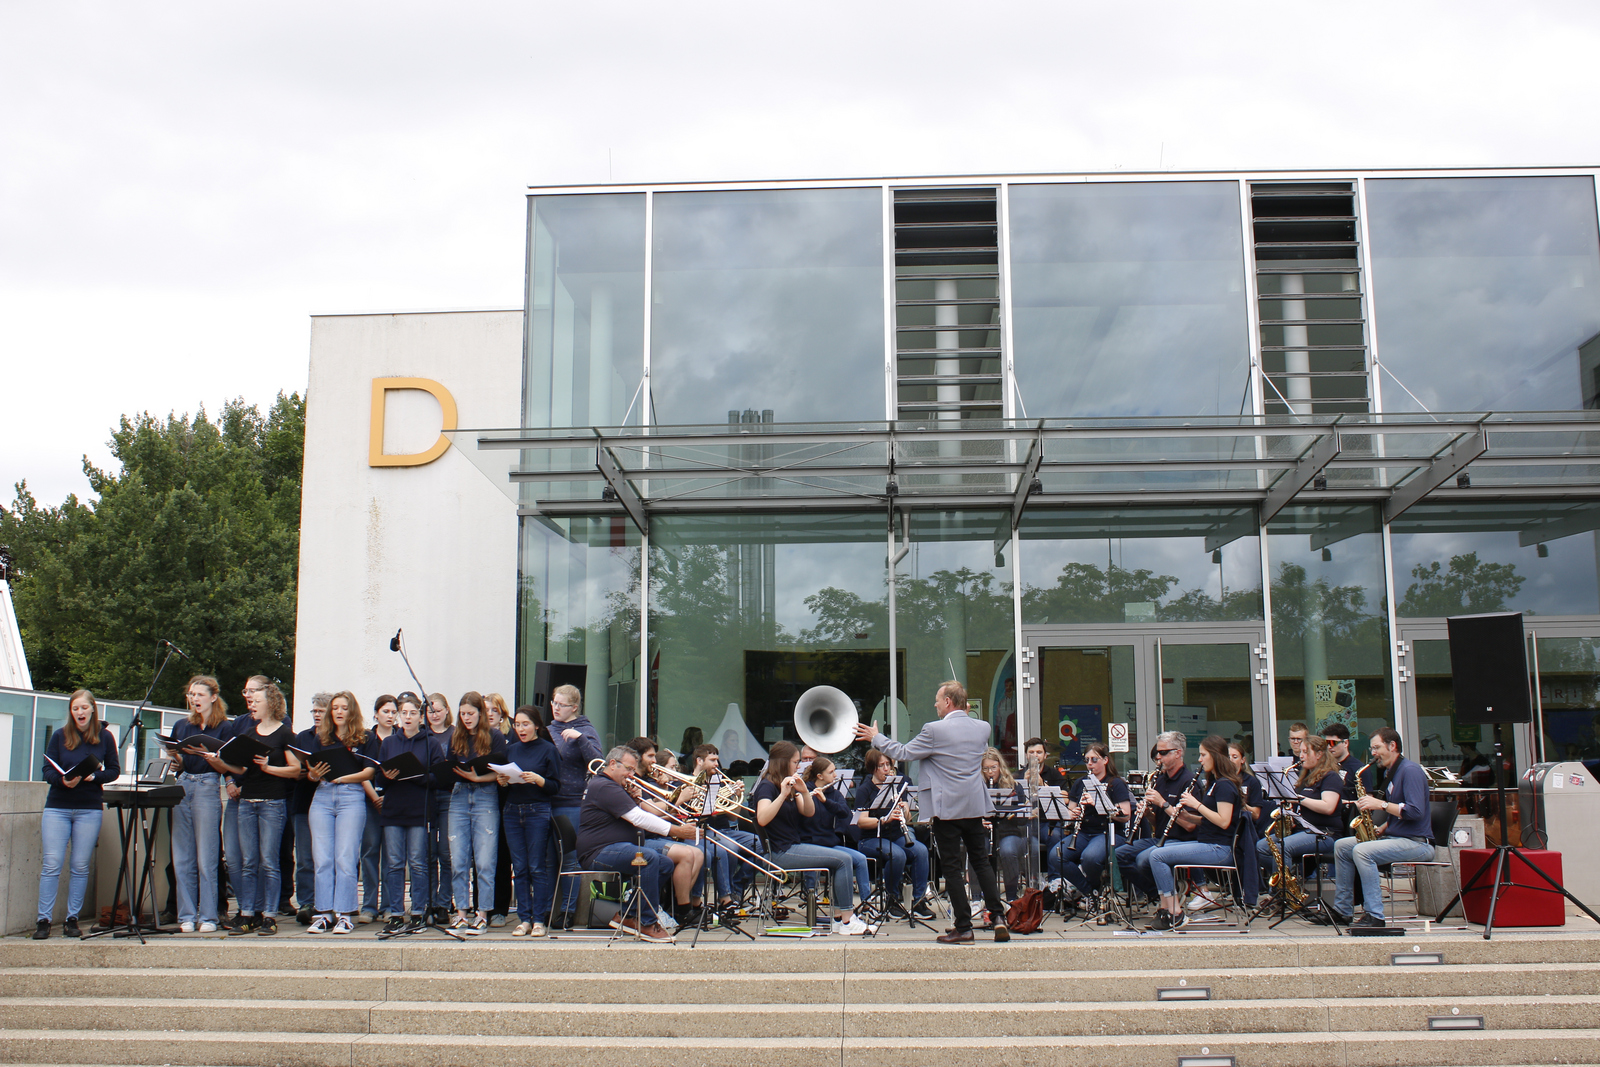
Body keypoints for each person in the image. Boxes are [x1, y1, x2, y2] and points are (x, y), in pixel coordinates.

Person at [855, 680, 1009, 945]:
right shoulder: (982, 728)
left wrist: (876, 738)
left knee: (951, 868)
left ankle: (963, 927)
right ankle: (998, 918)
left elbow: (903, 752)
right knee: (981, 862)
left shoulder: (934, 730)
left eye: (938, 700)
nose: (935, 705)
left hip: (946, 807)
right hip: (973, 805)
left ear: (948, 701)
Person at [576, 745, 697, 942]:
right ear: (613, 764)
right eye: (629, 769)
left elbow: (631, 815)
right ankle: (647, 923)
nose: (632, 774)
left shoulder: (614, 787)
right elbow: (638, 818)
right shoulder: (604, 786)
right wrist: (676, 830)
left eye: (633, 770)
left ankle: (629, 915)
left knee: (665, 863)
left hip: (617, 847)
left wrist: (633, 798)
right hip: (598, 852)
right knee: (648, 858)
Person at [755, 741, 873, 935]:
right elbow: (762, 817)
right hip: (780, 851)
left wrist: (802, 791)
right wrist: (784, 795)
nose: (799, 766)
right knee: (843, 859)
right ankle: (846, 920)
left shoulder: (789, 784)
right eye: (796, 762)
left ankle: (838, 918)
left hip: (792, 846)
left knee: (842, 860)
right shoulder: (767, 787)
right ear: (783, 762)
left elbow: (808, 811)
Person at [214, 677, 299, 936]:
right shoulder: (247, 734)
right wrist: (218, 762)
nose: (252, 704)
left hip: (273, 803)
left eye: (257, 701)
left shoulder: (285, 734)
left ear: (271, 704)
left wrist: (267, 767)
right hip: (247, 803)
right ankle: (247, 912)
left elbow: (295, 770)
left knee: (269, 861)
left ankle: (269, 915)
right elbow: (240, 769)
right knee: (248, 861)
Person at [35, 689, 121, 939]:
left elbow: (114, 770)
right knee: (51, 864)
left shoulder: (105, 737)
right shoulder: (61, 736)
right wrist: (63, 781)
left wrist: (95, 776)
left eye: (84, 708)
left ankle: (72, 919)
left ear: (93, 709)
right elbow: (46, 769)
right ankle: (44, 920)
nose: (80, 712)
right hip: (58, 806)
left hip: (88, 807)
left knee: (80, 865)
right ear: (71, 712)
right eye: (75, 709)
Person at [1331, 727, 1435, 929]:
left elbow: (1415, 812)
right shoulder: (1391, 772)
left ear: (1392, 746)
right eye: (1372, 749)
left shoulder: (1410, 771)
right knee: (1342, 846)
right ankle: (1343, 911)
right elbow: (1400, 814)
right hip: (1396, 837)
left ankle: (1375, 915)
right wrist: (1382, 828)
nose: (1373, 753)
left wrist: (1381, 805)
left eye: (1377, 747)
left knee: (1362, 851)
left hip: (1418, 843)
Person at [1144, 735, 1241, 932]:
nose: (1199, 759)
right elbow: (1207, 819)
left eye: (1203, 755)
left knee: (1157, 855)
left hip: (1219, 848)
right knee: (1157, 852)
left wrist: (1196, 804)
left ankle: (1174, 913)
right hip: (1210, 843)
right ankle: (1166, 909)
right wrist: (1188, 816)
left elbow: (1223, 821)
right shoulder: (1214, 783)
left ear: (1215, 756)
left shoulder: (1224, 785)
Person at [301, 690, 378, 934]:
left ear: (352, 710)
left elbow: (369, 772)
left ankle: (344, 914)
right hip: (323, 796)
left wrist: (343, 777)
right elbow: (312, 772)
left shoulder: (365, 737)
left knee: (345, 858)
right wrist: (313, 774)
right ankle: (323, 913)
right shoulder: (321, 738)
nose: (339, 712)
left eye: (344, 708)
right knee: (322, 858)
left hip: (351, 795)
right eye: (335, 708)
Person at [165, 675, 228, 933]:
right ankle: (187, 915)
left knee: (207, 857)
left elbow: (229, 765)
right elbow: (180, 761)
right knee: (182, 857)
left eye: (200, 695)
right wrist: (176, 759)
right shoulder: (182, 725)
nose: (194, 699)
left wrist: (211, 758)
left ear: (213, 697)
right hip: (184, 785)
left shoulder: (224, 727)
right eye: (191, 695)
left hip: (208, 784)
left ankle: (209, 916)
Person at [496, 705, 561, 936]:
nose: (521, 729)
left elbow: (555, 786)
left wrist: (538, 779)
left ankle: (539, 920)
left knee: (536, 867)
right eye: (517, 725)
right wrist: (503, 781)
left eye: (525, 724)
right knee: (520, 867)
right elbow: (504, 781)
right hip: (512, 811)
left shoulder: (547, 750)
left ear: (536, 725)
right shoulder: (511, 750)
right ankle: (524, 918)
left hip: (537, 810)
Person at [1114, 731, 1198, 907]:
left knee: (1144, 859)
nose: (1159, 757)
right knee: (1121, 854)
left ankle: (1168, 897)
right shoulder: (1160, 778)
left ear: (1178, 753)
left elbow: (1190, 826)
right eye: (1158, 753)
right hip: (1159, 838)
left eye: (1163, 753)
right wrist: (1148, 814)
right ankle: (1155, 892)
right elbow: (1157, 822)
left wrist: (1163, 803)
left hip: (1181, 839)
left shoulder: (1189, 781)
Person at [447, 691, 506, 933]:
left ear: (480, 714)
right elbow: (449, 766)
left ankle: (482, 913)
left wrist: (478, 777)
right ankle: (461, 912)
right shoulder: (456, 736)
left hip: (485, 796)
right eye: (462, 714)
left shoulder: (494, 736)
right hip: (459, 795)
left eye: (470, 714)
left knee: (484, 860)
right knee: (459, 859)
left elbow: (502, 771)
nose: (466, 718)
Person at [1046, 742, 1131, 908]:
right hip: (1084, 832)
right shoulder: (1080, 783)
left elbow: (1126, 815)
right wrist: (1073, 813)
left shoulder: (1116, 783)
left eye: (1094, 759)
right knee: (1056, 855)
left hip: (1108, 832)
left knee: (1090, 857)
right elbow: (1070, 812)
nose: (1090, 764)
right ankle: (1089, 892)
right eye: (1087, 760)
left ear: (1106, 760)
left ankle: (1094, 891)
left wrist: (1099, 803)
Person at [1255, 735, 1345, 890]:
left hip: (1324, 834)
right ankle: (1289, 883)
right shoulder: (1305, 777)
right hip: (1303, 831)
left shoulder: (1331, 777)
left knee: (1283, 847)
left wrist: (1300, 800)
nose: (1301, 756)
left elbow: (1328, 806)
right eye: (1301, 752)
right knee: (1261, 847)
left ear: (1319, 754)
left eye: (1305, 752)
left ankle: (1280, 894)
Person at [546, 684, 601, 929]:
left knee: (570, 859)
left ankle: (568, 911)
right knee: (547, 860)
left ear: (574, 707)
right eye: (554, 703)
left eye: (562, 705)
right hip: (546, 801)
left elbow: (597, 763)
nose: (556, 708)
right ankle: (547, 910)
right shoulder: (548, 730)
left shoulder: (585, 729)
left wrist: (580, 740)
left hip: (572, 802)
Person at [854, 749, 933, 919]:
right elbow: (861, 821)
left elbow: (907, 818)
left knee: (920, 851)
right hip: (870, 838)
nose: (885, 768)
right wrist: (884, 820)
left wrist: (905, 809)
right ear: (872, 768)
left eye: (887, 764)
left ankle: (918, 901)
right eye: (881, 765)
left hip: (895, 835)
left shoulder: (895, 786)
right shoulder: (865, 789)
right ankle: (892, 898)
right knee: (897, 855)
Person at [378, 694, 434, 932]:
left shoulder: (429, 742)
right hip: (394, 809)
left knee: (418, 863)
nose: (408, 717)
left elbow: (438, 776)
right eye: (404, 713)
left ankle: (419, 912)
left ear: (421, 717)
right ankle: (396, 913)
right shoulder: (389, 743)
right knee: (393, 863)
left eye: (413, 713)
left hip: (418, 809)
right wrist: (387, 777)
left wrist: (419, 775)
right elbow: (379, 776)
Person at [801, 756, 871, 910]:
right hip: (809, 844)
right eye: (831, 772)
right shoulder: (804, 791)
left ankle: (866, 904)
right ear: (820, 776)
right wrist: (810, 797)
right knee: (813, 868)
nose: (835, 776)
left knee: (860, 859)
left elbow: (845, 813)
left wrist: (826, 801)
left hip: (828, 844)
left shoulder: (833, 793)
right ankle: (811, 906)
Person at [288, 695, 329, 925]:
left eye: (321, 711)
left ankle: (329, 901)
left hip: (330, 801)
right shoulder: (302, 737)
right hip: (304, 801)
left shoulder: (336, 738)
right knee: (305, 857)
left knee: (328, 857)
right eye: (314, 710)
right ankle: (306, 902)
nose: (316, 714)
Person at [358, 694, 397, 924]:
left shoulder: (401, 738)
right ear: (376, 714)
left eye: (393, 712)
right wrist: (375, 798)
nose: (390, 716)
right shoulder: (367, 738)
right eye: (386, 712)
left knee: (392, 856)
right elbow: (364, 771)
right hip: (370, 801)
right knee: (370, 851)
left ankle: (390, 905)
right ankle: (369, 905)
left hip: (394, 802)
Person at [980, 749, 1031, 902]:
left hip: (1009, 832)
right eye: (986, 768)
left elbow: (1023, 819)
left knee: (1008, 852)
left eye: (993, 767)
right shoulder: (976, 786)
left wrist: (1009, 815)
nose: (990, 772)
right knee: (977, 850)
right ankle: (978, 898)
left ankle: (1011, 898)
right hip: (983, 832)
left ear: (1000, 767)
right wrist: (980, 820)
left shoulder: (1014, 786)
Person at [424, 692, 454, 923]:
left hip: (449, 797)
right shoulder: (422, 736)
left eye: (437, 710)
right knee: (427, 854)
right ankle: (429, 901)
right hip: (426, 797)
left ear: (446, 710)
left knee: (445, 852)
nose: (433, 715)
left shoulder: (454, 734)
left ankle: (444, 902)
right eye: (429, 710)